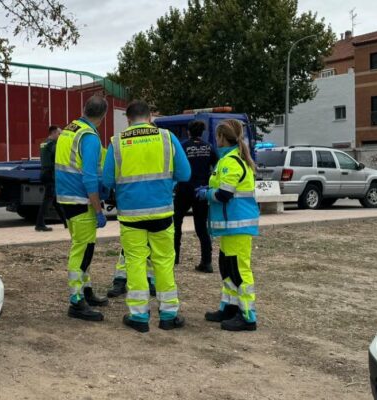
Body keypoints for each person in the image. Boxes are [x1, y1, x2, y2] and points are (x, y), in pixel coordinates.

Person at [102, 101, 191, 332]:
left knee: (135, 263)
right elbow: (185, 173)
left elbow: (107, 181)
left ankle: (139, 317)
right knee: (163, 262)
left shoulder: (117, 142)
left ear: (128, 119)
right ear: (150, 117)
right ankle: (169, 315)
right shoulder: (167, 138)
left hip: (131, 216)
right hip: (161, 211)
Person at [196, 119, 261, 332]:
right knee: (227, 267)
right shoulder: (228, 161)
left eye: (217, 137)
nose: (215, 140)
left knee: (238, 270)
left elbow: (224, 194)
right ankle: (230, 307)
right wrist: (208, 187)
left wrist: (205, 193)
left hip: (237, 226)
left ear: (222, 138)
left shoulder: (232, 162)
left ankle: (248, 315)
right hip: (230, 226)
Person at [55, 95, 110, 322]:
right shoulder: (89, 137)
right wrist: (98, 210)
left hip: (66, 199)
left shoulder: (69, 129)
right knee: (82, 250)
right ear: (104, 116)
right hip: (80, 200)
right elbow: (89, 179)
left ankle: (86, 291)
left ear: (84, 109)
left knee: (83, 247)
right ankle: (76, 301)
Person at [174, 120, 218, 273]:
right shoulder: (209, 147)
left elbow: (176, 165)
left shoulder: (183, 146)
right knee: (201, 228)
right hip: (202, 191)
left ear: (188, 131)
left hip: (184, 190)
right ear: (202, 133)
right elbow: (217, 165)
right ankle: (206, 262)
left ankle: (174, 257)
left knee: (176, 223)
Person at [35, 125, 64, 232]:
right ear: (54, 133)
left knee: (55, 199)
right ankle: (39, 224)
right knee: (47, 200)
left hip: (44, 172)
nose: (60, 136)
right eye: (59, 133)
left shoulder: (44, 143)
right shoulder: (53, 145)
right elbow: (58, 157)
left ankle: (66, 222)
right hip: (50, 174)